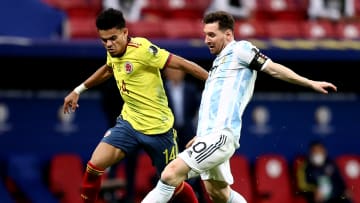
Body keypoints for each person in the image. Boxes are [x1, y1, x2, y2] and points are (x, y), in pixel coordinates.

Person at [141, 11, 338, 203]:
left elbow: (273, 69)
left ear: (228, 34)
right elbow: (213, 104)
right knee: (219, 193)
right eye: (205, 35)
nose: (206, 40)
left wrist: (309, 82)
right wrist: (201, 135)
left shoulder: (241, 49)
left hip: (221, 135)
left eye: (211, 35)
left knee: (170, 174)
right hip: (209, 136)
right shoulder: (218, 63)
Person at [62, 8, 209, 203]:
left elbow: (181, 64)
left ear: (125, 32)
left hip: (159, 130)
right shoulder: (113, 52)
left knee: (174, 185)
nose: (109, 44)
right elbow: (108, 69)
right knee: (94, 165)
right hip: (129, 124)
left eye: (113, 38)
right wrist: (78, 90)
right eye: (104, 40)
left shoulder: (142, 49)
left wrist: (212, 80)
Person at [163, 68, 206, 202]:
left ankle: (197, 197)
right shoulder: (160, 89)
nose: (175, 73)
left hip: (188, 134)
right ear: (166, 73)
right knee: (171, 168)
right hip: (169, 134)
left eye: (178, 71)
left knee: (194, 166)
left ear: (184, 73)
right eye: (172, 71)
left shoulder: (191, 89)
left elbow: (195, 111)